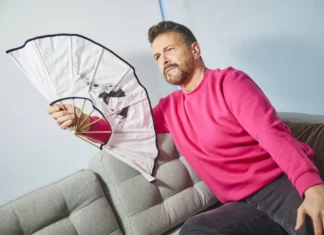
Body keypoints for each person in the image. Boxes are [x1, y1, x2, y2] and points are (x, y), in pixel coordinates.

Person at [47, 21, 324, 235]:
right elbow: (123, 130)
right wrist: (81, 122)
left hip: (279, 183)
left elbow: (273, 135)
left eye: (169, 50)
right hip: (240, 204)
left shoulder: (230, 83)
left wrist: (311, 186)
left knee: (314, 224)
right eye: (157, 56)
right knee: (195, 230)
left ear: (195, 49)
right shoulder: (169, 108)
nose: (163, 59)